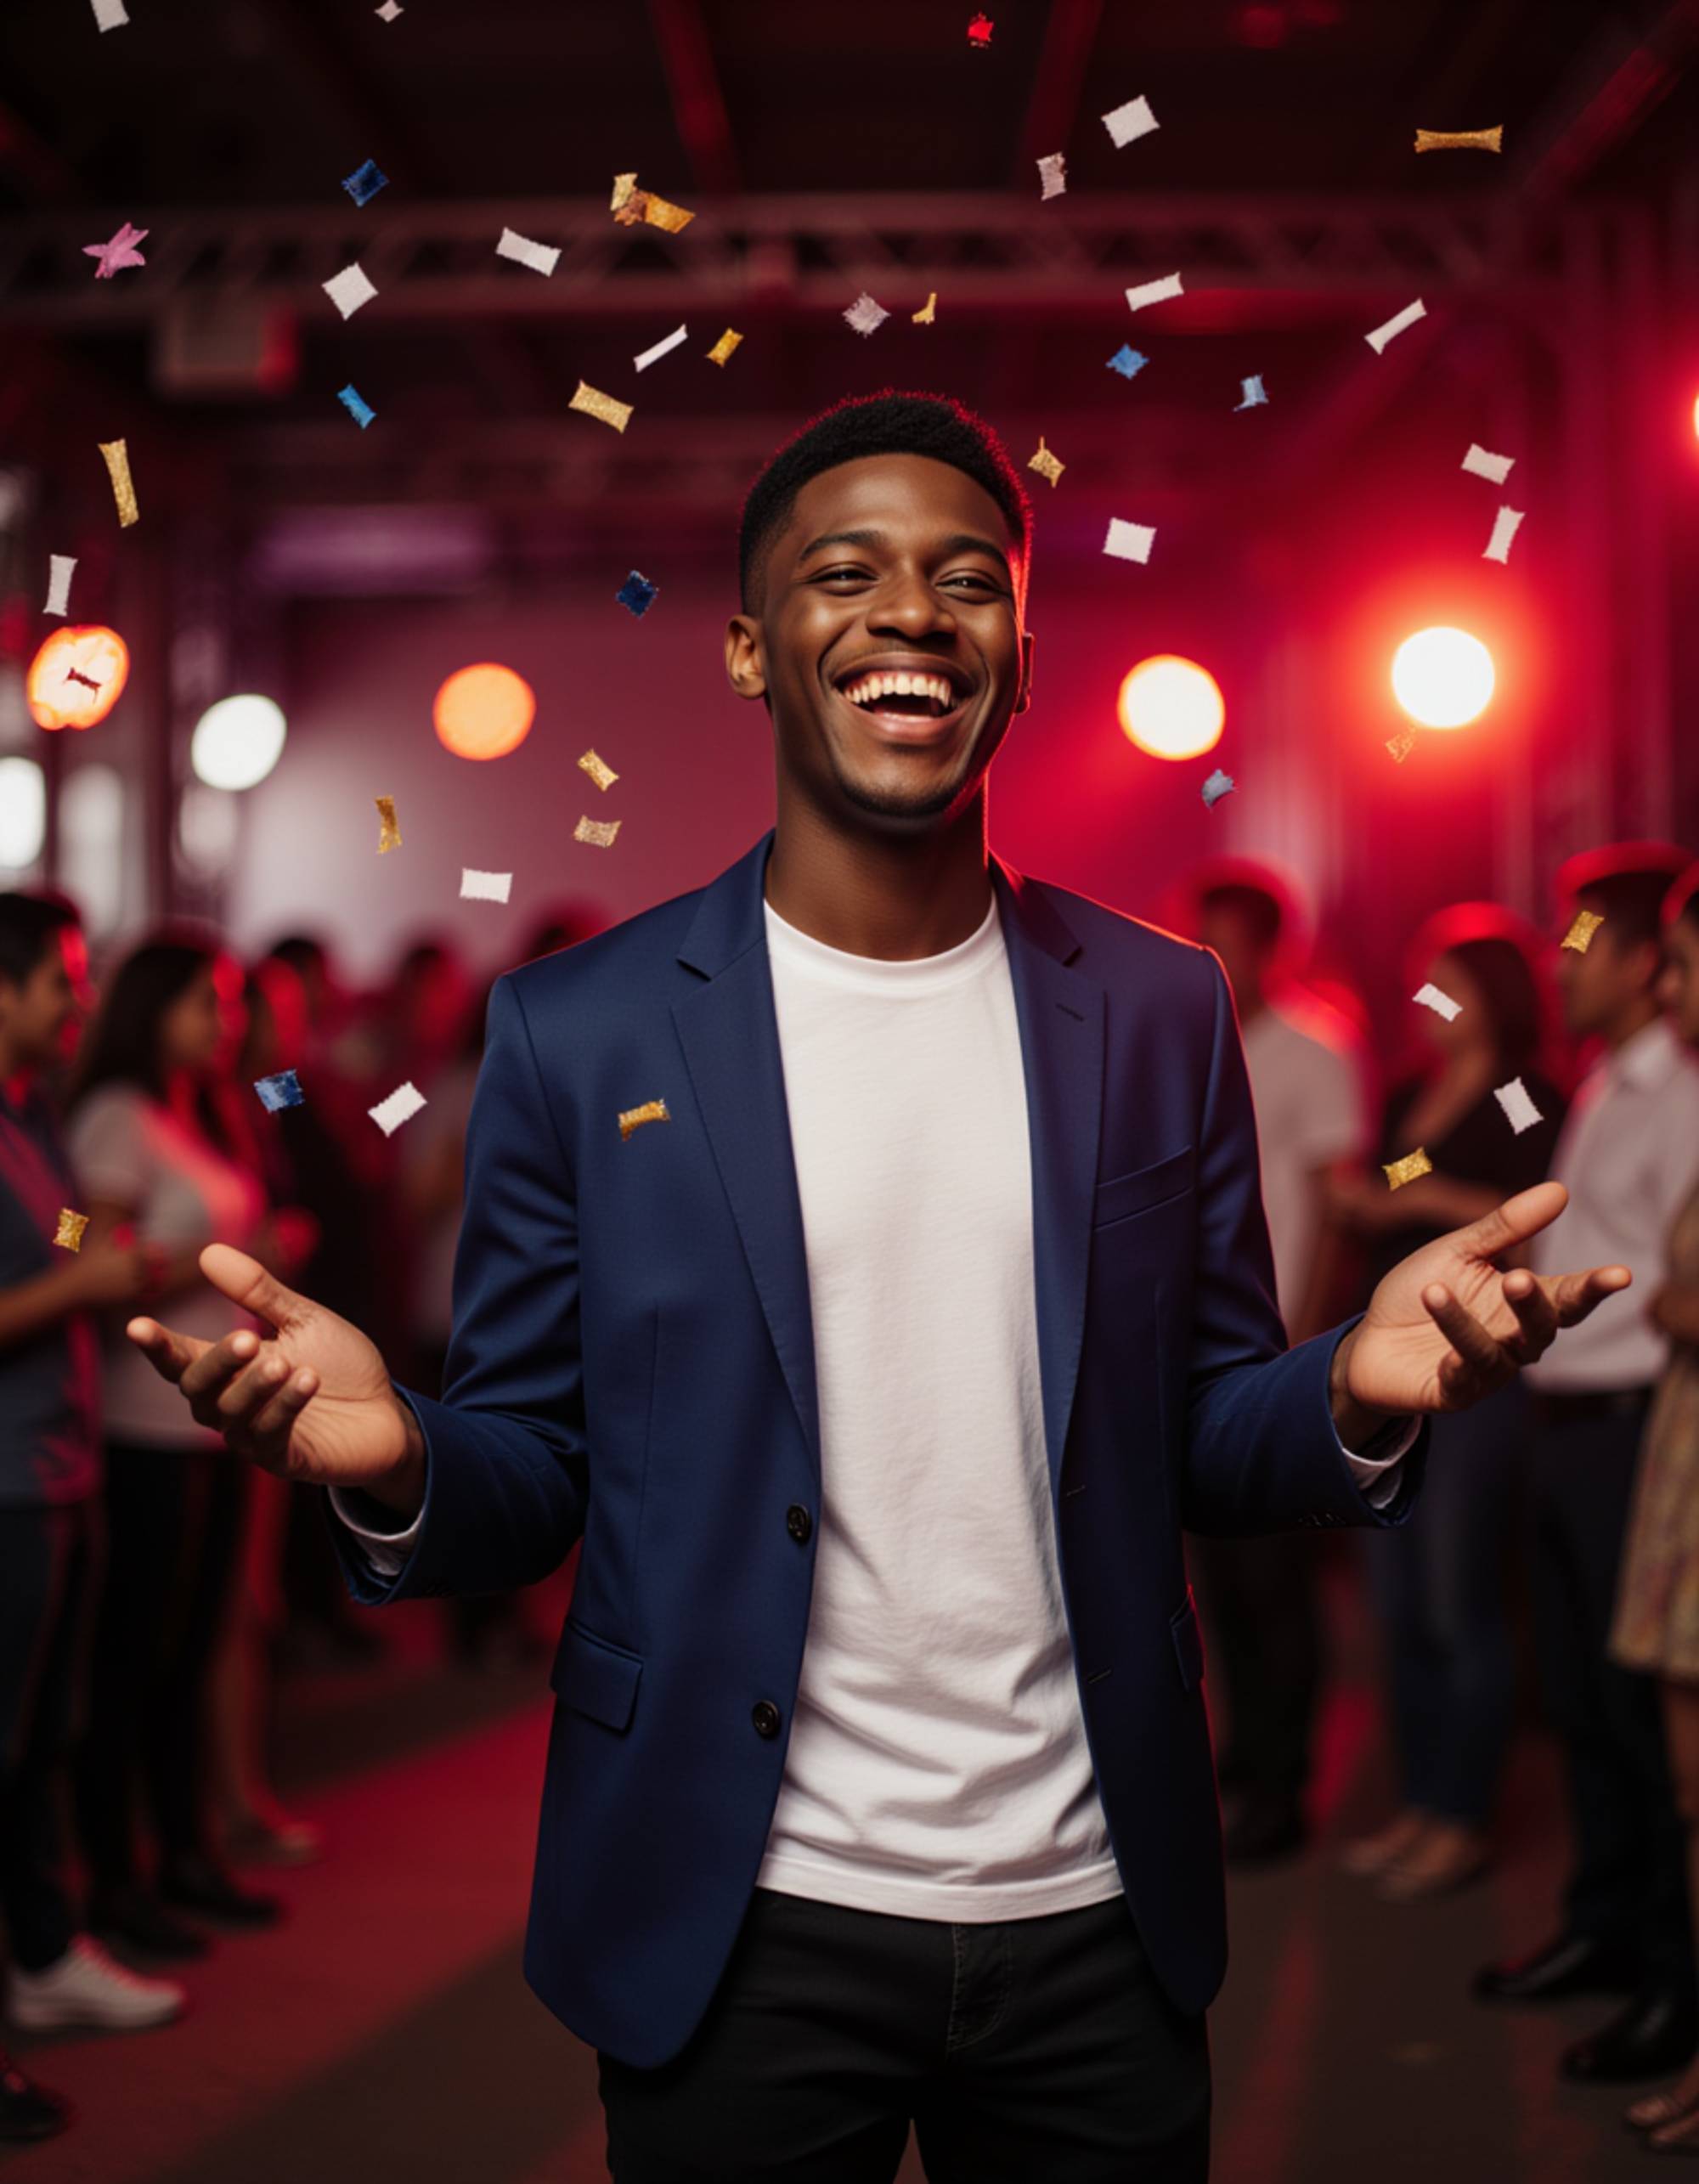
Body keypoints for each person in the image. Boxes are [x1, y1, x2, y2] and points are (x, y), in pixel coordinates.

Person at [126, 392, 1630, 2183]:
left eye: (966, 577)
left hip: (1093, 1908)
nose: (911, 611)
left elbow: (1207, 1441)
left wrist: (1353, 1385)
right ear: (757, 648)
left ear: (1019, 647)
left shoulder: (1155, 1012)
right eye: (846, 574)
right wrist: (396, 1452)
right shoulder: (580, 1026)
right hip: (734, 1908)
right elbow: (529, 1472)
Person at [1475, 843, 1699, 2086]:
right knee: (1575, 1702)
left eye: (1576, 945)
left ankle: (1672, 1975)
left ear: (1640, 956)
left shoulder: (1681, 1087)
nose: (1559, 969)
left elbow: (1677, 1280)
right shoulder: (1599, 1078)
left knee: (1640, 1716)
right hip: (1561, 1419)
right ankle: (1607, 1930)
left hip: (1628, 1424)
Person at [64, 933, 302, 1955]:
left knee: (196, 1640)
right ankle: (117, 1876)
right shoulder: (116, 1115)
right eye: (211, 1000)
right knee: (135, 1654)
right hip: (142, 1417)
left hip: (213, 1418)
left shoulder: (194, 1114)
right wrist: (179, 1260)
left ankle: (186, 1850)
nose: (229, 1019)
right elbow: (76, 1241)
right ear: (154, 1005)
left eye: (235, 1001)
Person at [1329, 906, 1566, 1901]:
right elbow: (1390, 1185)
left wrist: (1415, 1205)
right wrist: (1370, 1193)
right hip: (1390, 1372)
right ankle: (1422, 1804)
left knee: (1453, 1598)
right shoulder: (1412, 1103)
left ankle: (1462, 1816)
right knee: (1395, 1607)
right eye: (1422, 984)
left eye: (1446, 984)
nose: (1426, 1000)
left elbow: (1527, 1197)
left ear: (1490, 998)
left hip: (1474, 1370)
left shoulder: (1514, 1092)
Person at [0, 895, 184, 2145]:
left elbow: (48, 1234)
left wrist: (99, 1250)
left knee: (34, 1744)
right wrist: (87, 1276)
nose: (78, 1003)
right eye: (61, 980)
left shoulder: (31, 1117)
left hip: (55, 1464)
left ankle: (42, 1951)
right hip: (7, 1474)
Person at [1187, 858, 1371, 1864]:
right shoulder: (1194, 1040)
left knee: (1276, 1582)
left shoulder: (1314, 1049)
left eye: (1232, 937)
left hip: (1281, 1351)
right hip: (1202, 1355)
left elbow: (1337, 1207)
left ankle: (1284, 1783)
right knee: (1217, 1582)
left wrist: (1301, 1352)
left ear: (1272, 946)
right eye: (1202, 934)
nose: (1216, 956)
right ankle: (1245, 1761)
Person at [1612, 866, 1699, 2147]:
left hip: (1634, 1403)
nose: (1658, 982)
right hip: (1641, 1430)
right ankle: (1649, 1986)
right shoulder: (1566, 1087)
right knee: (1631, 1754)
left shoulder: (1672, 1091)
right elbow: (1490, 1148)